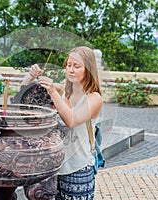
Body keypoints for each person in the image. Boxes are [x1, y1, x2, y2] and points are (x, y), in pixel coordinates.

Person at [21, 46, 103, 199]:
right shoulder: (63, 91)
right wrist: (30, 76)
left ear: (89, 69)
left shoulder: (94, 98)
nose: (70, 70)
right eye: (68, 65)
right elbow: (24, 96)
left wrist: (52, 92)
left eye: (76, 66)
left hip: (78, 170)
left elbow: (71, 120)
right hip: (54, 169)